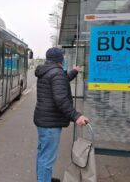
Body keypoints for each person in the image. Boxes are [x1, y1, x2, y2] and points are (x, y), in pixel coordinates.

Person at [34, 47, 89, 182]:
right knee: (47, 158)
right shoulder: (56, 73)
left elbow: (61, 82)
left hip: (43, 120)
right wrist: (76, 116)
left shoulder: (47, 71)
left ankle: (43, 178)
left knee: (43, 155)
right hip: (50, 123)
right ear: (59, 59)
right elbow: (61, 99)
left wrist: (74, 72)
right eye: (62, 57)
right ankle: (44, 179)